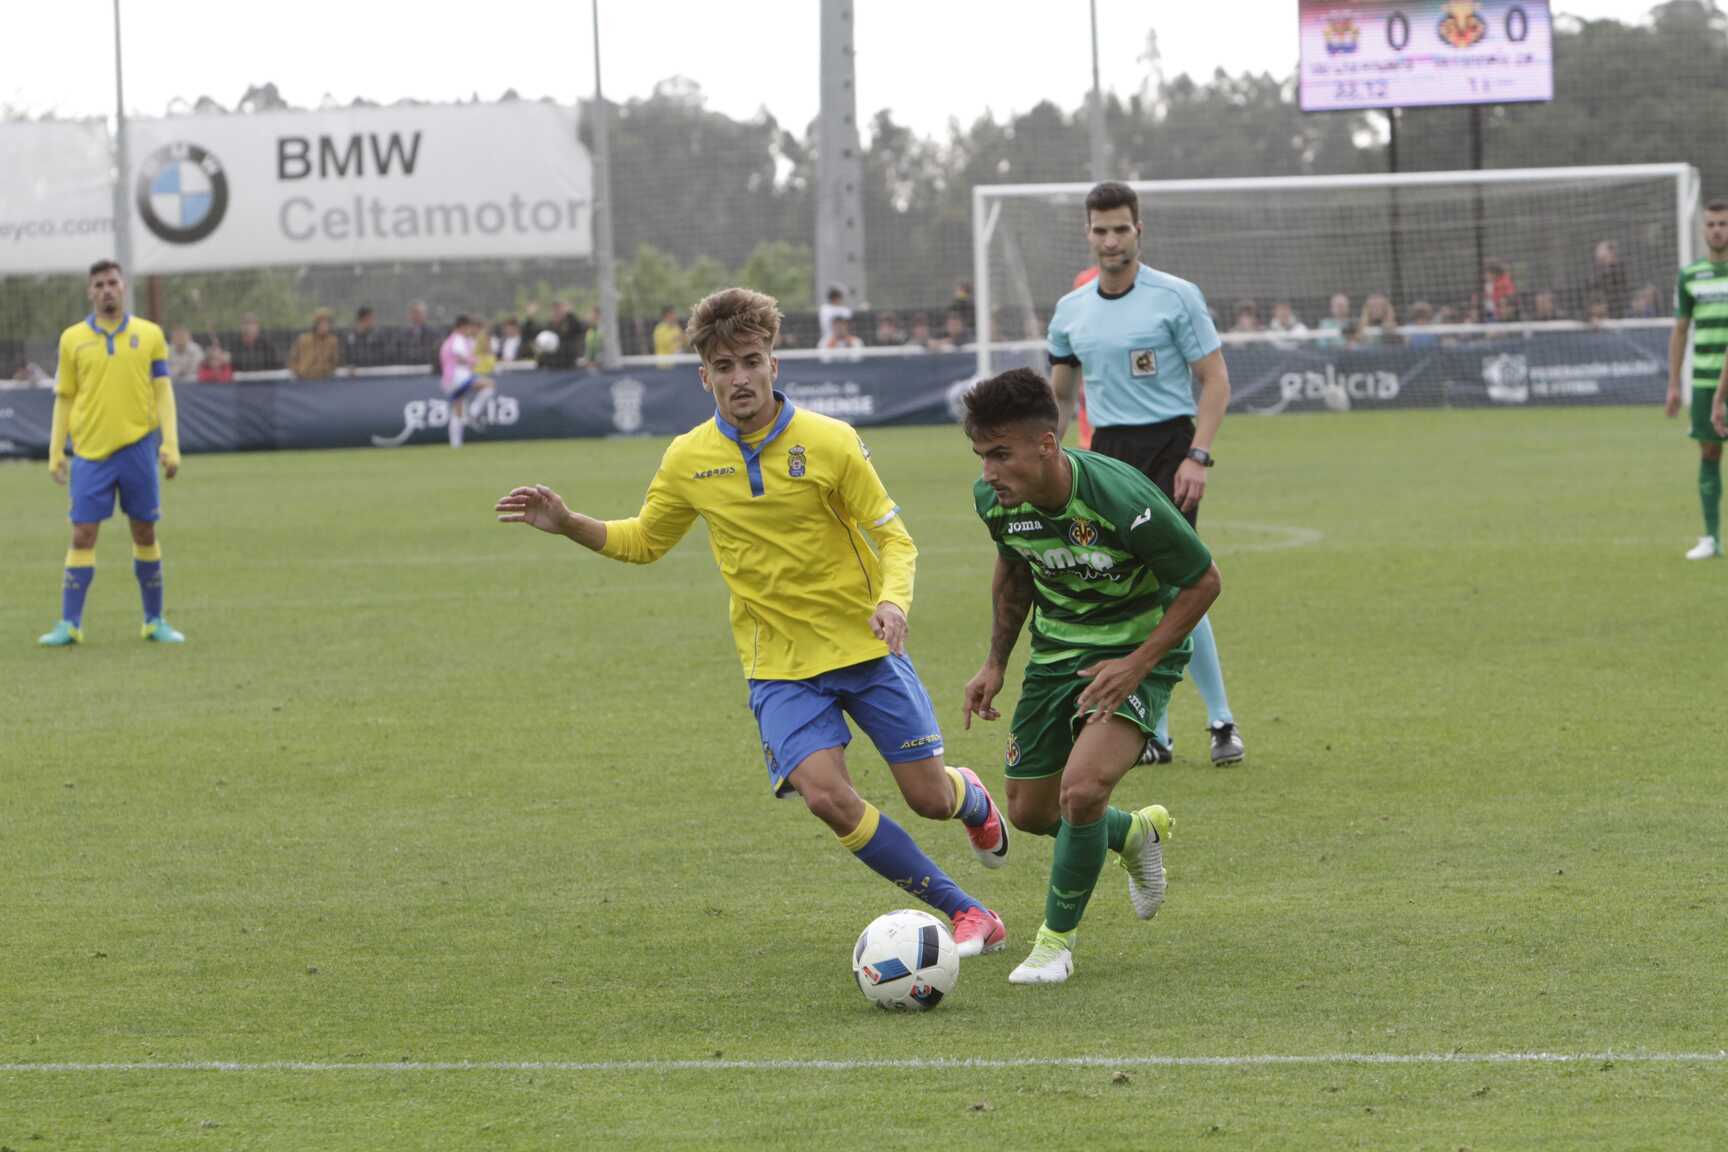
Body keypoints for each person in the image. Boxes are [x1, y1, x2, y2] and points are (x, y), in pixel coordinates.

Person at [493, 286, 1010, 957]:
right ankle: (966, 910)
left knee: (930, 799)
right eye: (724, 366)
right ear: (703, 376)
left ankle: (971, 799)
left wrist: (892, 602)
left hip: (864, 647)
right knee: (827, 799)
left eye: (751, 361)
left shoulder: (830, 442)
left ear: (774, 364)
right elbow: (644, 541)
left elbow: (895, 539)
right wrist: (568, 523)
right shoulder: (688, 458)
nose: (740, 377)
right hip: (779, 666)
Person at [959, 368, 1220, 984]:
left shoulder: (1122, 499)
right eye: (981, 456)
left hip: (1133, 652)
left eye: (1001, 454)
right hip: (1055, 653)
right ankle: (1132, 833)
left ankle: (1054, 945)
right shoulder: (996, 502)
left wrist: (1138, 665)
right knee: (1029, 811)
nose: (989, 472)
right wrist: (996, 661)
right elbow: (1014, 573)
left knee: (1081, 792)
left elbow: (1202, 582)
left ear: (1047, 444)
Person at [1046, 180, 1243, 767]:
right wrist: (1045, 459)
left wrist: (1198, 456)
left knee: (1178, 585)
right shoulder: (1070, 311)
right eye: (1101, 230)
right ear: (1087, 233)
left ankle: (1220, 720)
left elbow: (1215, 380)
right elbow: (1061, 396)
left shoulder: (1175, 296)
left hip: (1170, 449)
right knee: (1132, 591)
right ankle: (1155, 731)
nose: (1111, 240)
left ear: (1139, 230)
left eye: (1121, 229)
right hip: (1107, 456)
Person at [38, 260, 185, 647]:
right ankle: (69, 624)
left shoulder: (149, 334)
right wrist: (56, 451)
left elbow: (163, 391)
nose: (106, 289)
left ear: (123, 288)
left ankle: (154, 620)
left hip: (138, 449)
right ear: (90, 292)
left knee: (145, 530)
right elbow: (64, 397)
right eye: (99, 284)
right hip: (90, 453)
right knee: (82, 534)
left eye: (112, 283)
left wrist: (170, 443)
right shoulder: (72, 339)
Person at [1664, 199, 1728, 560]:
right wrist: (1674, 384)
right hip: (1704, 380)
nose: (1717, 230)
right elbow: (1680, 329)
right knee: (1709, 451)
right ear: (1703, 230)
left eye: (1723, 224)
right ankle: (1711, 538)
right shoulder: (1690, 275)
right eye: (1712, 224)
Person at [438, 315, 490, 449]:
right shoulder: (458, 339)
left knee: (457, 409)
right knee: (489, 385)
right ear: (462, 327)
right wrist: (474, 361)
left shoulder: (451, 340)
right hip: (458, 377)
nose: (469, 330)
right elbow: (460, 357)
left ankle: (456, 444)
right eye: (468, 328)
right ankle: (473, 413)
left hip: (449, 379)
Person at [288, 308, 342, 380]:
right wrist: (297, 372)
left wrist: (328, 371)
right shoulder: (303, 339)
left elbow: (335, 361)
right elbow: (292, 359)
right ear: (316, 324)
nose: (325, 326)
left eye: (327, 323)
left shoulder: (333, 341)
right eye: (322, 323)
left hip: (324, 379)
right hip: (304, 379)